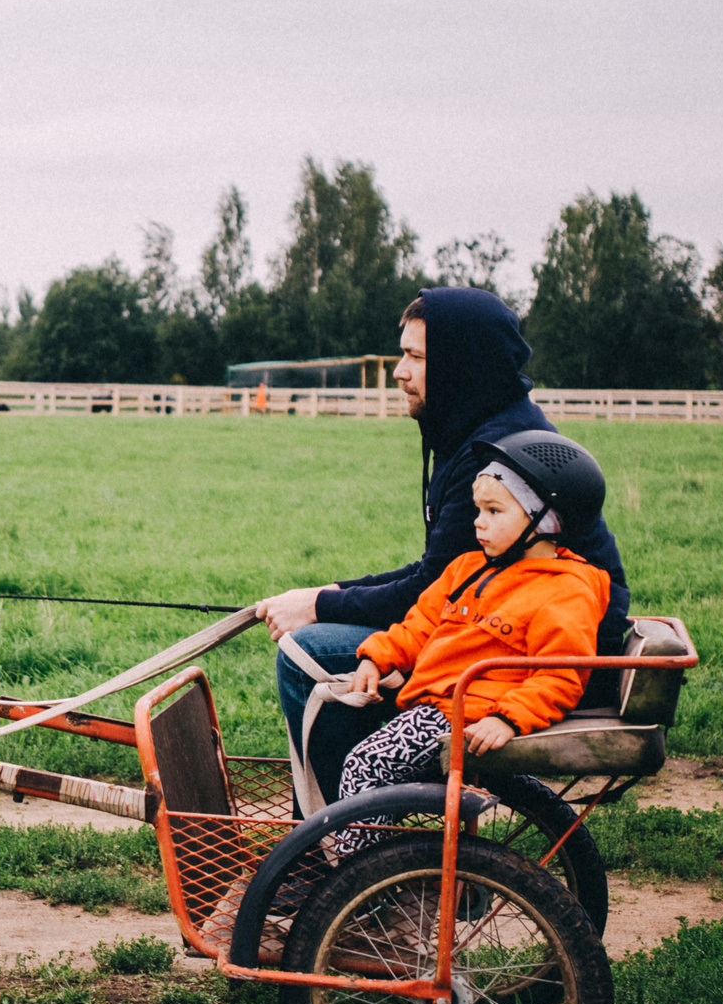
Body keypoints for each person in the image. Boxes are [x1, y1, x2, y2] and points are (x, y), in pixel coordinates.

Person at [256, 287, 632, 812]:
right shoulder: (479, 430)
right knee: (331, 642)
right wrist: (330, 592)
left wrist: (318, 605)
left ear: (461, 364)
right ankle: (352, 831)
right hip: (502, 627)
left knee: (308, 653)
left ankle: (328, 851)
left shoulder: (500, 457)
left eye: (415, 356)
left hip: (527, 652)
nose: (398, 371)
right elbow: (443, 576)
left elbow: (430, 588)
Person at [327, 436, 612, 810]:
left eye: (494, 511)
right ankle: (382, 861)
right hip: (432, 705)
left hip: (469, 714)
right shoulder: (467, 569)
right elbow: (420, 624)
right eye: (479, 510)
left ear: (545, 519)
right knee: (351, 744)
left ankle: (361, 867)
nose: (478, 522)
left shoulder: (565, 591)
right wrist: (376, 659)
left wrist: (508, 720)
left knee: (366, 765)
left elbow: (560, 674)